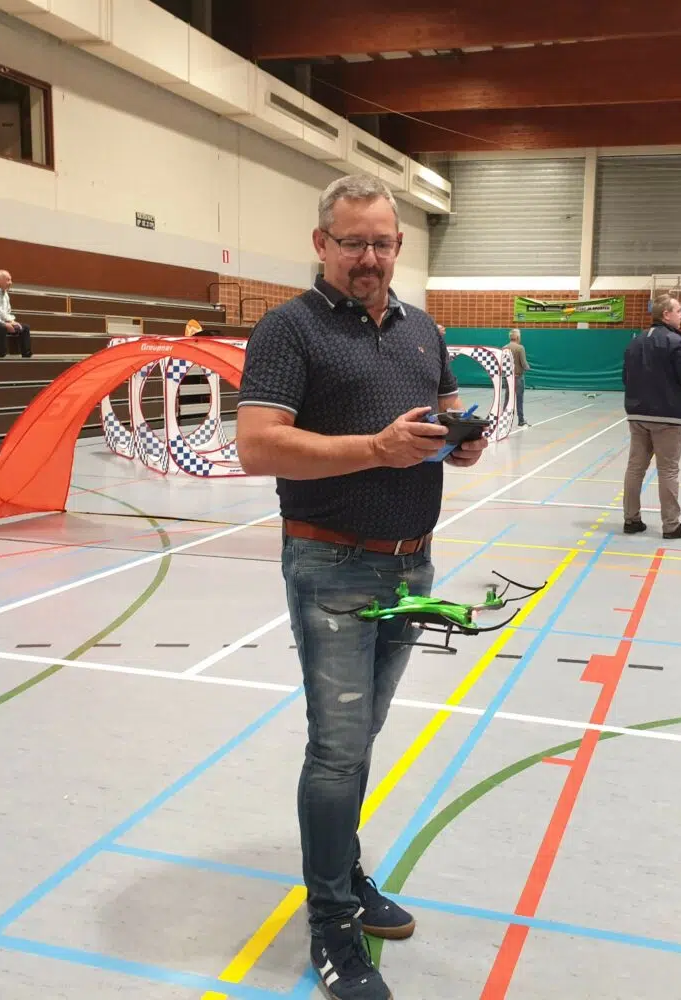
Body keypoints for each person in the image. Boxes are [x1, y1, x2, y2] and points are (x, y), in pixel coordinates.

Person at [235, 173, 487, 1000]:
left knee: (362, 735)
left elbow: (441, 411)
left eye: (382, 243)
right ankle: (331, 921)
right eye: (353, 243)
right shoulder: (289, 329)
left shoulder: (423, 330)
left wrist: (459, 441)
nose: (369, 257)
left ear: (399, 246)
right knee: (338, 748)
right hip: (331, 566)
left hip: (411, 564)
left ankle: (342, 870)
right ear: (322, 244)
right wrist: (375, 449)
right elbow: (258, 446)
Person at [621, 294, 681, 539]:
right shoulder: (676, 342)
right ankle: (671, 525)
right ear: (666, 314)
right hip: (669, 416)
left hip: (637, 413)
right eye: (679, 311)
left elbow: (625, 378)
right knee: (668, 471)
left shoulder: (635, 342)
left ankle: (631, 520)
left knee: (635, 469)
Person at [503, 327, 530, 426]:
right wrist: (528, 368)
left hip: (508, 377)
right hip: (518, 377)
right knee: (519, 399)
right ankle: (521, 420)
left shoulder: (504, 347)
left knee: (507, 399)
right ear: (518, 337)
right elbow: (524, 363)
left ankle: (504, 419)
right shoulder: (520, 348)